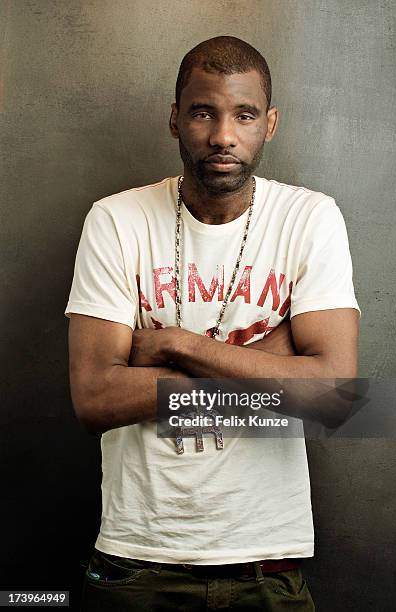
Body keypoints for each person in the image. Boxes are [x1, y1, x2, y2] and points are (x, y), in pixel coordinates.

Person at [65, 36, 360, 611]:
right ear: (176, 119)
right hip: (137, 557)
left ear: (269, 123)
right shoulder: (117, 220)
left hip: (267, 559)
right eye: (203, 112)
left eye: (244, 115)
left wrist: (174, 346)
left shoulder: (309, 218)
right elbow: (95, 397)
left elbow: (332, 392)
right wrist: (273, 369)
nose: (223, 135)